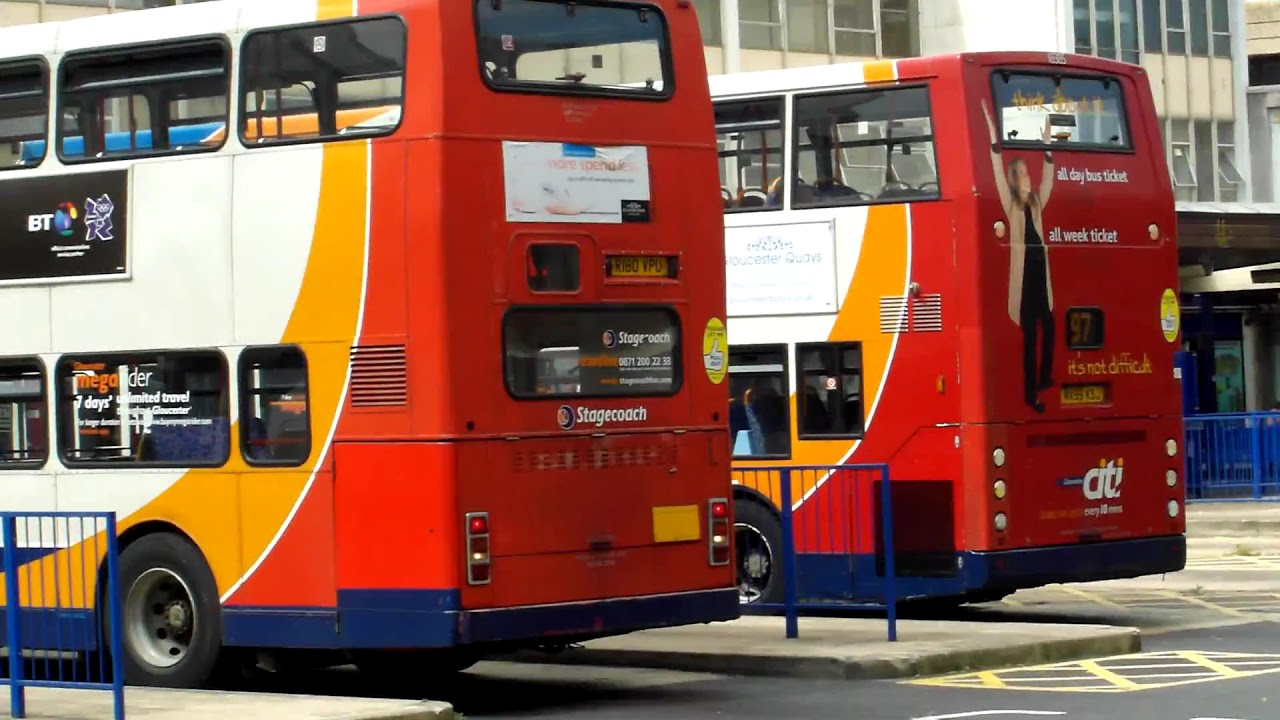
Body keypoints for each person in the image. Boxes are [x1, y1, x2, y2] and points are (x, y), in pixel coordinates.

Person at [982, 99, 1056, 413]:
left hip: (1041, 277)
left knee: (1050, 327)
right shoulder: (1011, 205)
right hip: (1025, 282)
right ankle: (1030, 395)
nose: (1027, 177)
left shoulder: (1037, 204)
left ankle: (1044, 378)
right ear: (1015, 180)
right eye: (1022, 173)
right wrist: (991, 132)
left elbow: (1049, 180)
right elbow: (996, 170)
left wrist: (1048, 147)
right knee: (1028, 338)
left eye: (1028, 172)